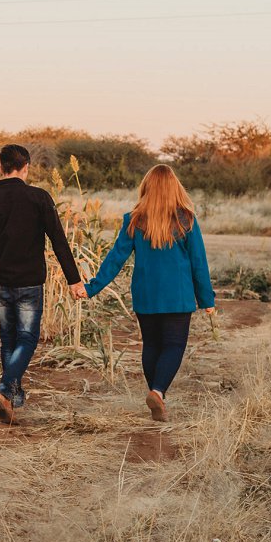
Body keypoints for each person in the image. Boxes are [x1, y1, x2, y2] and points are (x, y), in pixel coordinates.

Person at [79, 164, 215, 422]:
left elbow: (115, 259)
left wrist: (91, 287)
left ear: (147, 187)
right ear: (175, 187)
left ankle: (157, 396)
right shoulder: (186, 218)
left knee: (152, 344)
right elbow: (199, 262)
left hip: (146, 295)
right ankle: (158, 392)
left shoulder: (135, 219)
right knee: (174, 345)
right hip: (178, 296)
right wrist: (207, 299)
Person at [0, 144, 86, 424]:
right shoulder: (38, 198)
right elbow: (59, 241)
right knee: (27, 338)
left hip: (0, 283)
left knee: (8, 339)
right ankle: (4, 388)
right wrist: (74, 280)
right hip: (30, 282)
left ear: (0, 166)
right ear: (26, 167)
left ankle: (11, 398)